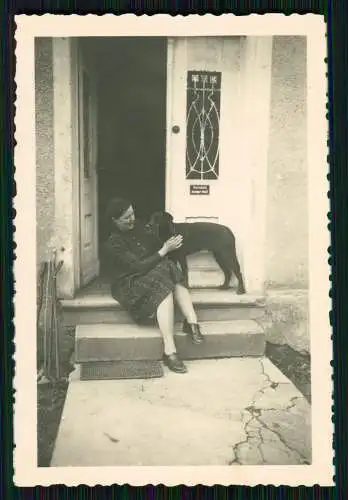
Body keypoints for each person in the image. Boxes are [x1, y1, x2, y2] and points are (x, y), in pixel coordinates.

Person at [104, 197, 204, 374]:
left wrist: (170, 244)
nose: (132, 220)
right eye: (126, 218)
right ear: (114, 220)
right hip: (130, 283)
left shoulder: (142, 227)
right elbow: (138, 267)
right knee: (163, 277)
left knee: (168, 268)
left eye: (132, 214)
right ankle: (170, 348)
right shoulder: (114, 242)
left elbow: (158, 249)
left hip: (151, 274)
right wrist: (164, 249)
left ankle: (192, 322)